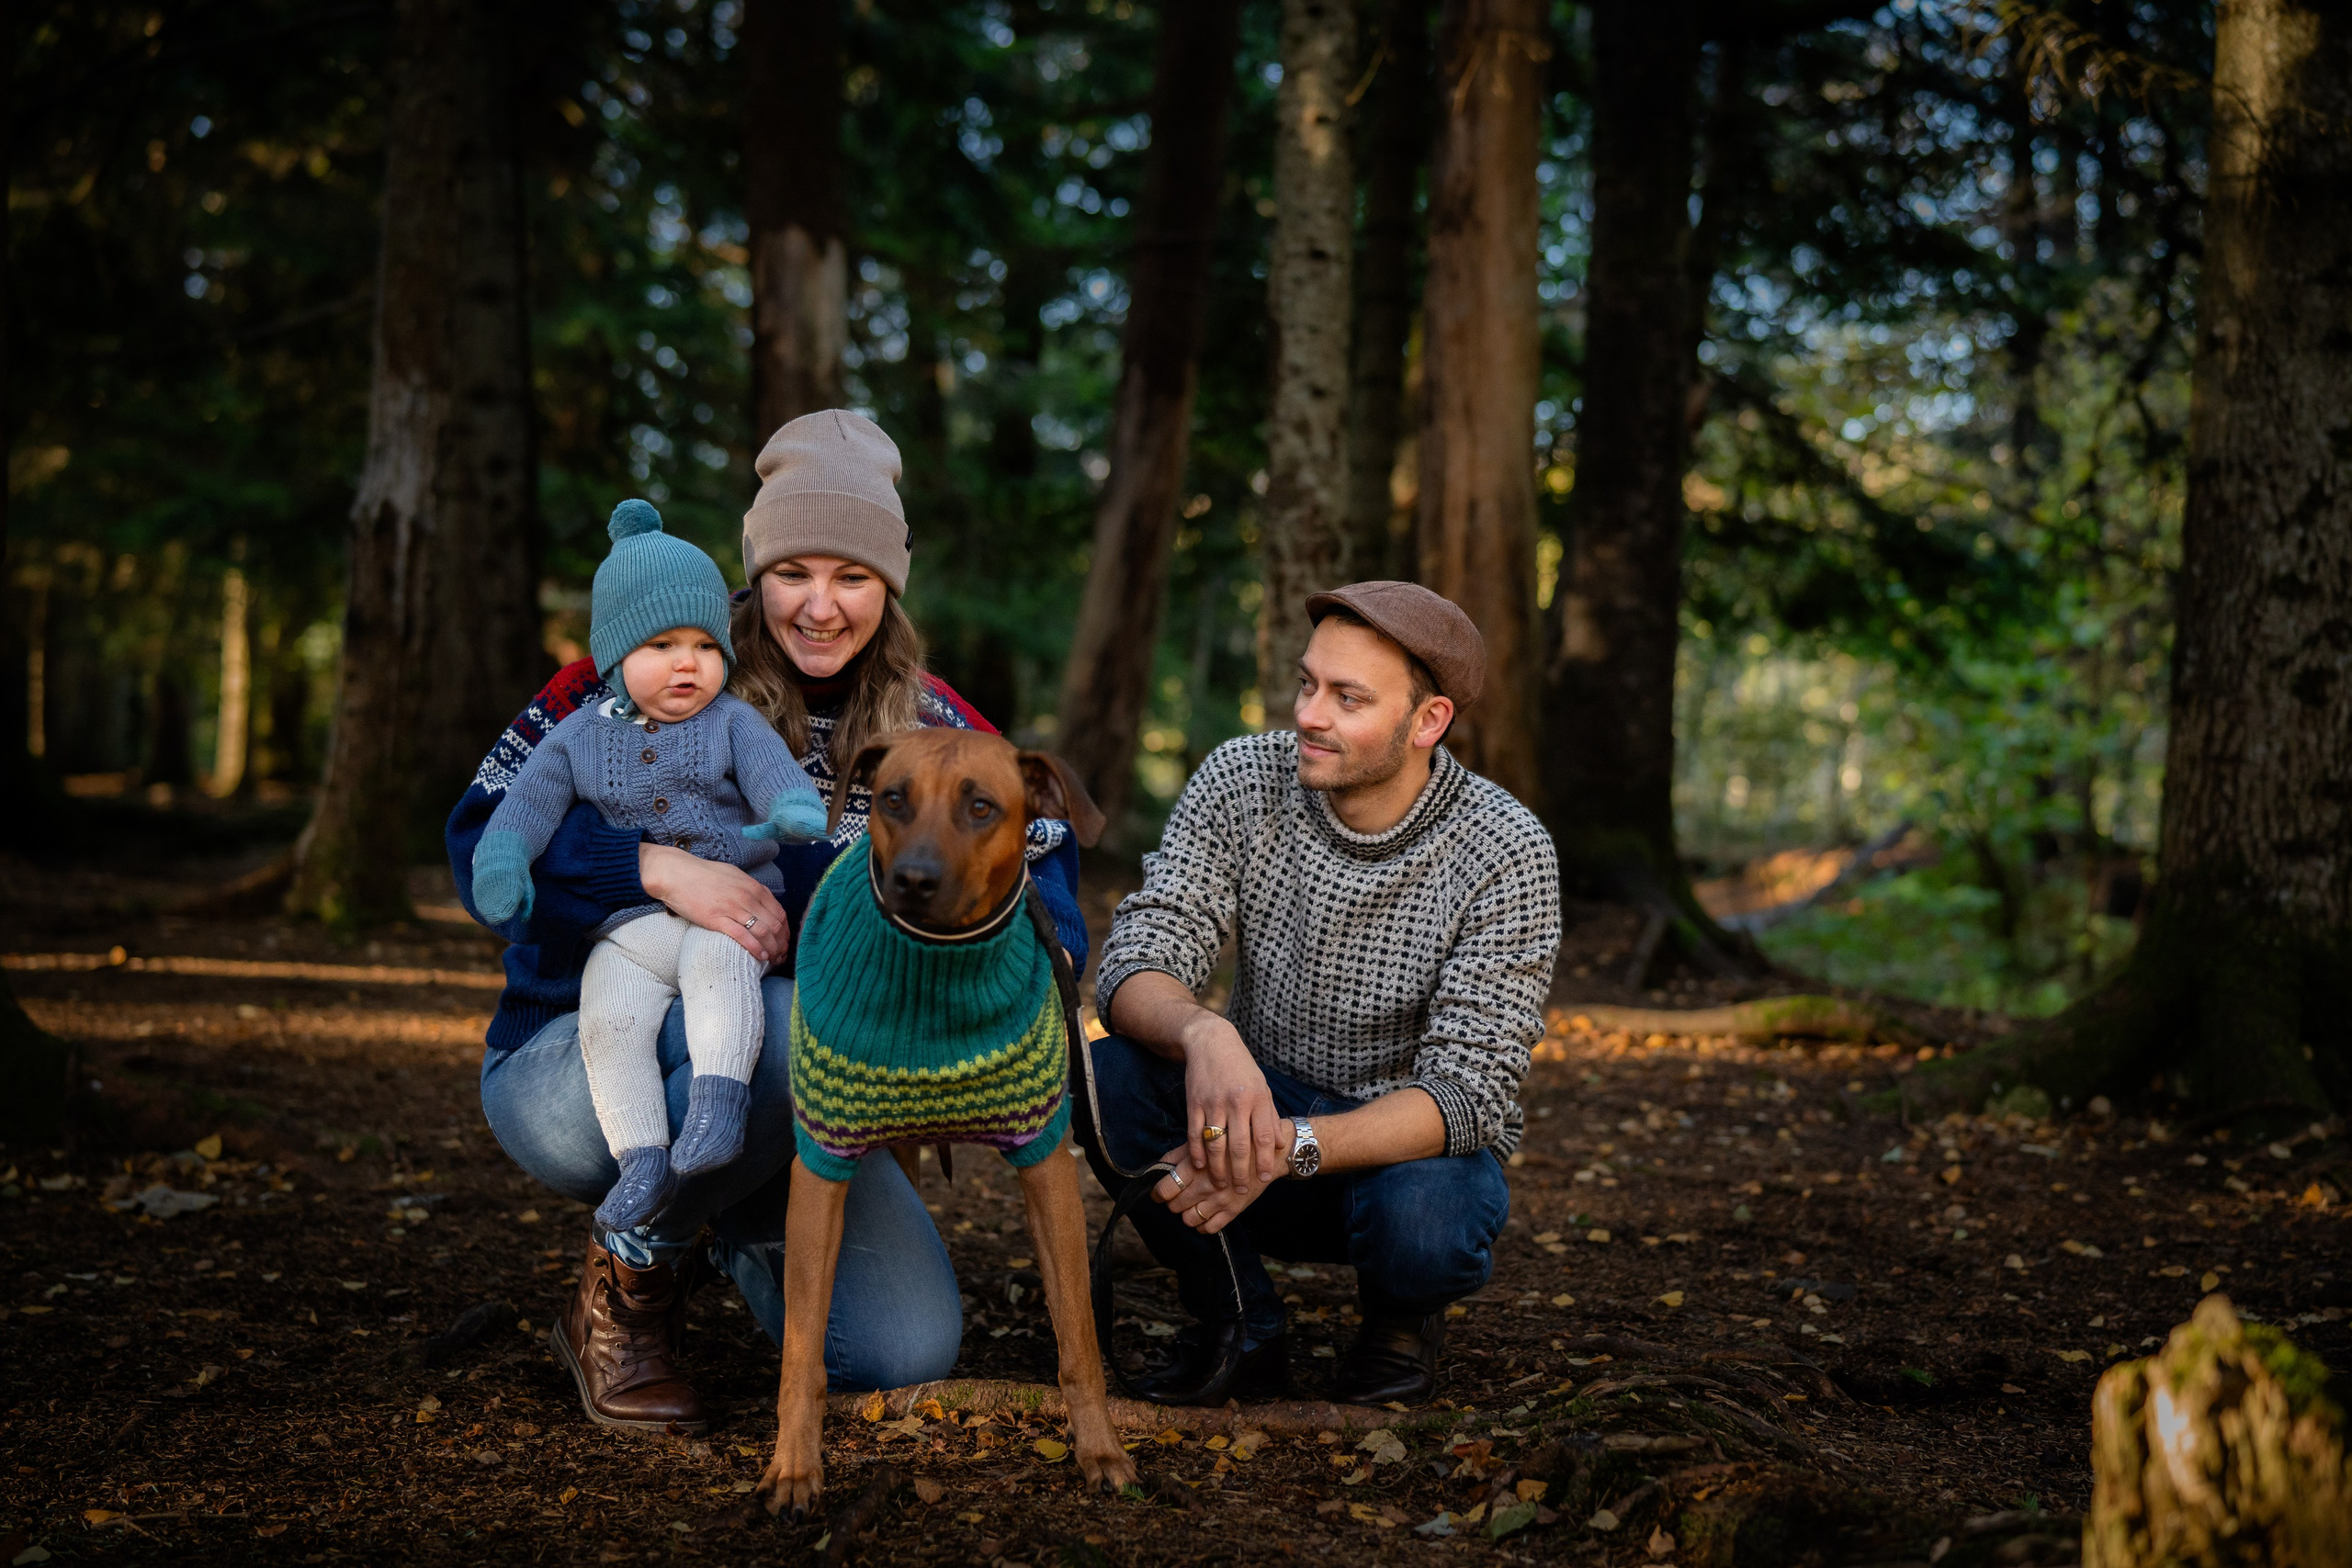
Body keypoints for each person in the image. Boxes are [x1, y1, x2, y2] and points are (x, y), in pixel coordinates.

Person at [447, 411, 1090, 1436]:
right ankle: (629, 1280)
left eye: (855, 578)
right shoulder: (638, 669)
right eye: (794, 571)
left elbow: (1047, 894)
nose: (822, 608)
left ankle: (718, 1205)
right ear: (755, 569)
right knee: (787, 1026)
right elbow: (479, 834)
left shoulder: (935, 724)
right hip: (575, 1054)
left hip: (811, 1090)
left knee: (902, 1351)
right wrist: (655, 869)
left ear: (893, 585)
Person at [1078, 581, 1560, 1407]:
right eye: (1309, 683)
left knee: (1431, 1215)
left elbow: (1469, 1095)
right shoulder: (1243, 777)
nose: (1308, 713)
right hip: (1255, 1107)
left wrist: (1286, 1146)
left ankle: (1399, 1325)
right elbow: (1137, 959)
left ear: (1428, 722)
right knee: (1106, 1076)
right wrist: (1205, 1035)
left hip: (1389, 1154)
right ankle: (1239, 1318)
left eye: (1348, 697)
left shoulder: (1506, 846)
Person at [469, 499, 829, 1234]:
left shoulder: (732, 719)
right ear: (615, 657)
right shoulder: (573, 729)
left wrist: (794, 811)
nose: (687, 662)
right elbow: (517, 813)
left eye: (703, 644)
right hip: (623, 937)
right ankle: (642, 1165)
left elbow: (775, 779)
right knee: (611, 1022)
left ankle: (721, 1108)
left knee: (724, 977)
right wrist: (511, 859)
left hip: (724, 927)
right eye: (662, 644)